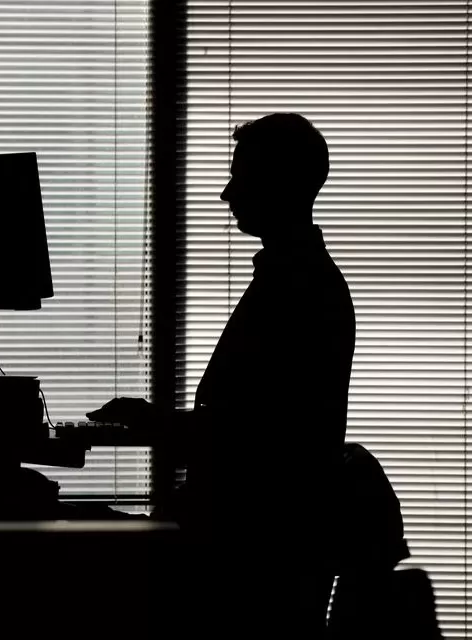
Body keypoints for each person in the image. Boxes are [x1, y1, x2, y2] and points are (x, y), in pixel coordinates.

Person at [89, 113, 355, 636]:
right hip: (249, 544)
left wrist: (154, 423)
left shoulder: (299, 292)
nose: (226, 194)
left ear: (278, 185)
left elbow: (258, 438)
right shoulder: (294, 279)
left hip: (252, 557)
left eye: (242, 177)